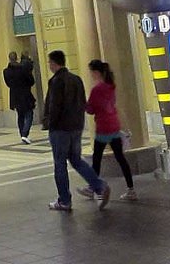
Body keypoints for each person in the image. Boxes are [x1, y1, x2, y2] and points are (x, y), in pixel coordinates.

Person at [42, 49, 110, 212]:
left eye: (50, 63)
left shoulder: (56, 81)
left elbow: (54, 106)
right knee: (76, 159)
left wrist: (49, 123)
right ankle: (99, 186)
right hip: (76, 127)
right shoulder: (76, 79)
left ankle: (64, 200)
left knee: (60, 164)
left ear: (53, 63)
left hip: (60, 129)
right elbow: (82, 103)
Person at [82, 59, 137, 202]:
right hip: (113, 125)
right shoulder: (110, 86)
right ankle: (131, 189)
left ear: (95, 72)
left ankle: (92, 187)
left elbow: (91, 109)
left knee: (97, 158)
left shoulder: (96, 89)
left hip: (103, 127)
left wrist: (83, 104)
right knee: (120, 158)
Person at [2, 51, 36, 144]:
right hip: (25, 95)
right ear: (17, 58)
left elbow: (8, 84)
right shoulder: (23, 69)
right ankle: (25, 134)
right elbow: (31, 81)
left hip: (15, 96)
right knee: (29, 114)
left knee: (20, 115)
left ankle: (22, 135)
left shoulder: (6, 71)